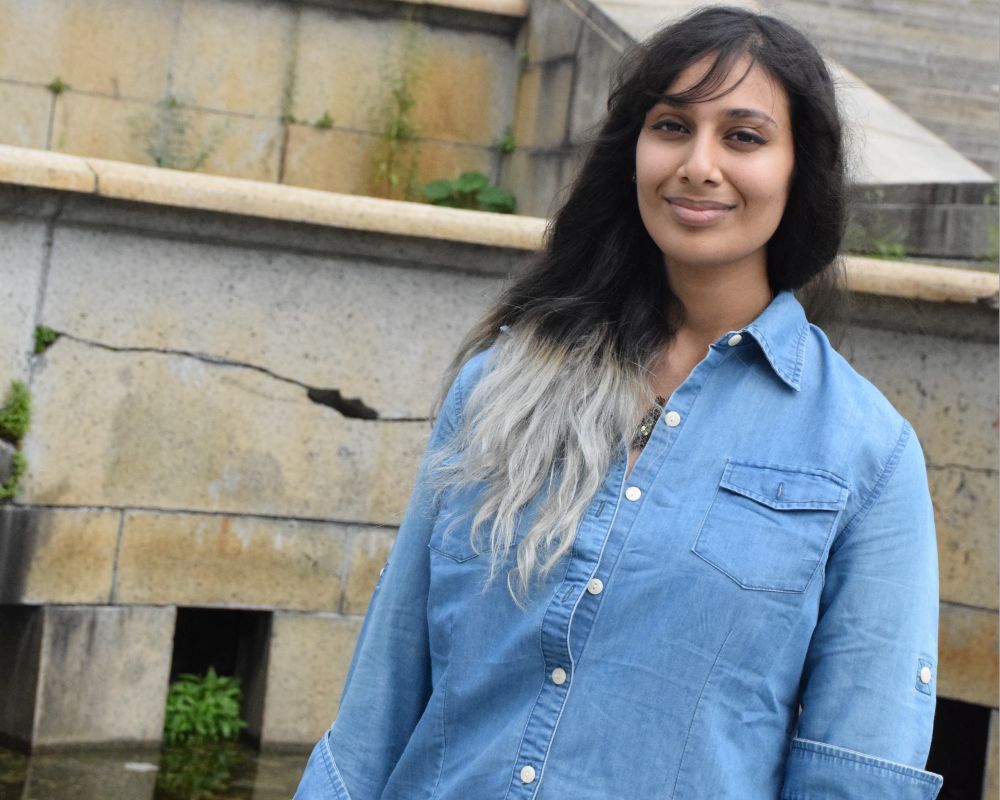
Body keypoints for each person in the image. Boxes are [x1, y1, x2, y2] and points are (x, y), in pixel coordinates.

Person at [294, 6, 944, 799]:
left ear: (800, 168)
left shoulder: (865, 455)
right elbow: (382, 697)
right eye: (672, 126)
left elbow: (858, 769)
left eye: (743, 136)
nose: (699, 164)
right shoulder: (504, 384)